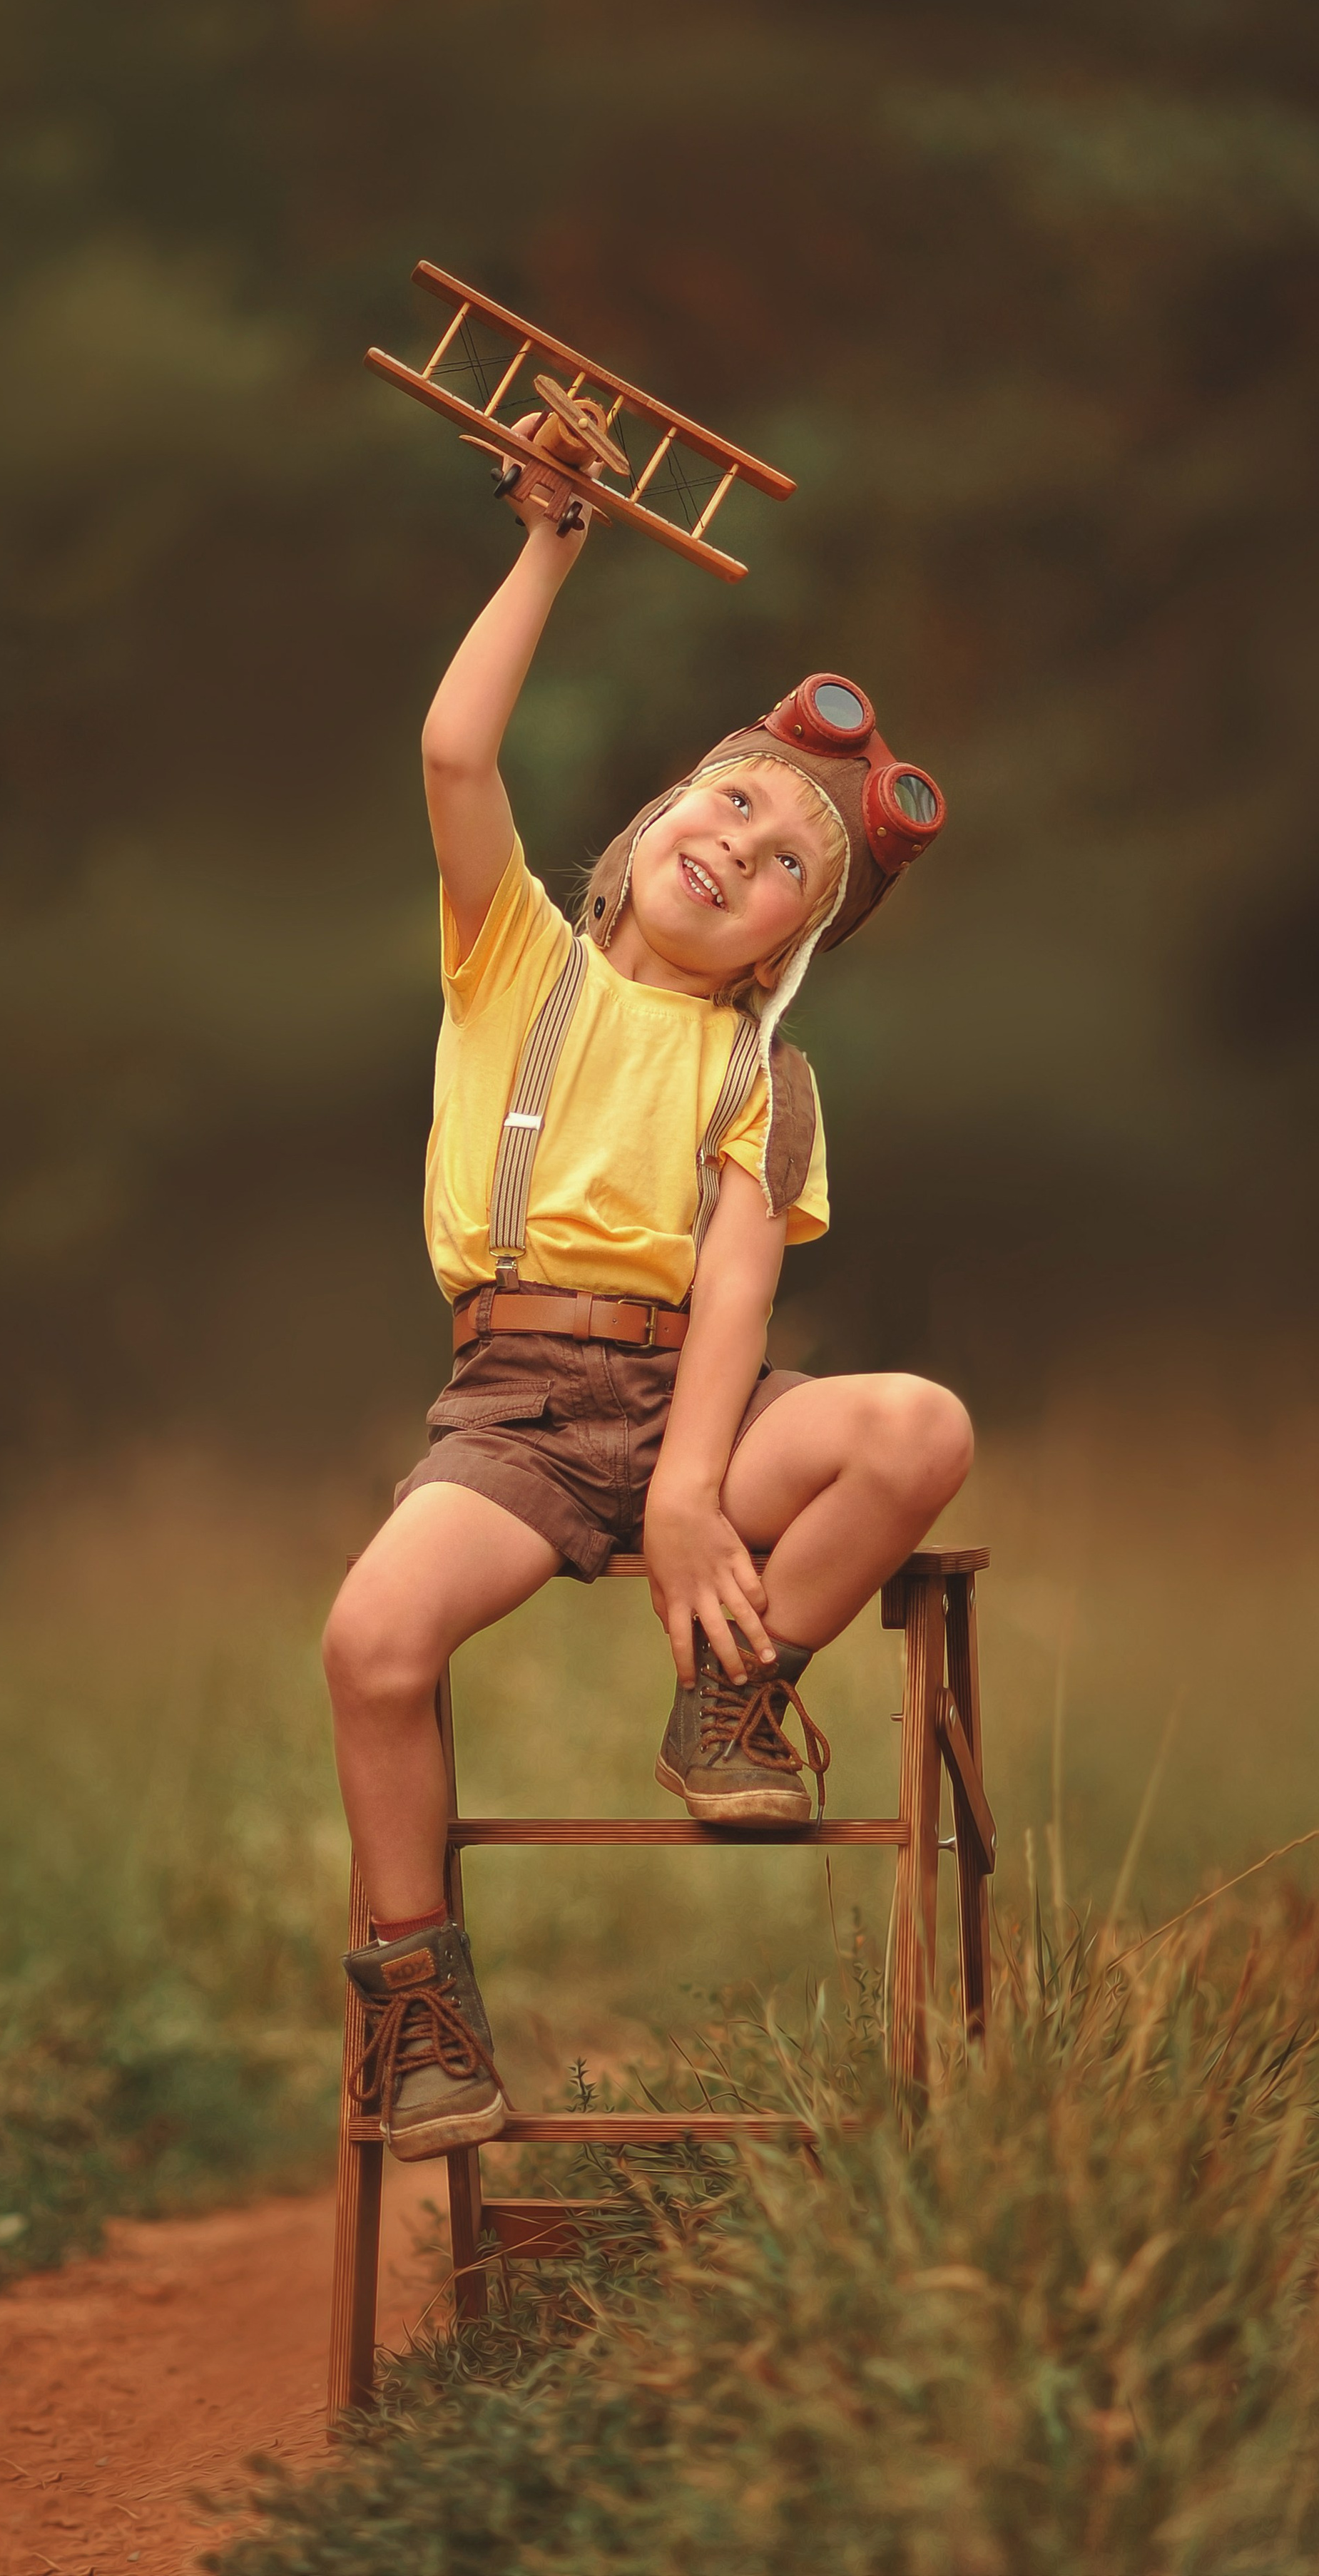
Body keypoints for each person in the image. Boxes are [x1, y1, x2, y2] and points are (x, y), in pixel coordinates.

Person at [323, 452, 974, 2164]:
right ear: (656, 813)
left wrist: (691, 1493)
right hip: (516, 1416)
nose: (737, 847)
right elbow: (454, 750)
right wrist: (548, 547)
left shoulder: (761, 1069)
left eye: (782, 867)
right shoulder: (511, 955)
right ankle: (419, 2004)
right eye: (730, 807)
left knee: (918, 1427)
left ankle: (733, 1694)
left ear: (779, 949)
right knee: (371, 1642)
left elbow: (740, 1289)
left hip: (699, 1399)